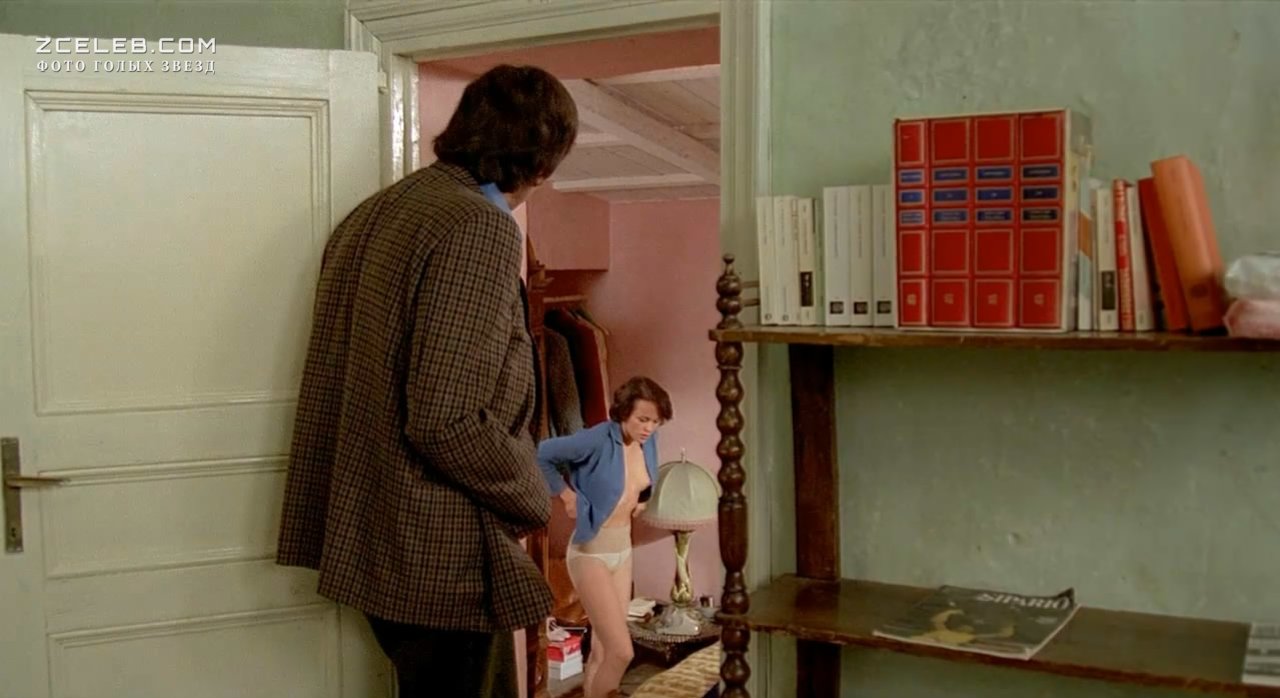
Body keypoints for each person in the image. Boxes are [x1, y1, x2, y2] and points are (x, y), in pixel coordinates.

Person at [275, 64, 578, 698]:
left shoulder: (377, 212)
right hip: (439, 545)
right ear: (543, 163)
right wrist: (533, 493)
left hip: (374, 536)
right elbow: (447, 419)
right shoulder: (477, 225)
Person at [537, 376, 673, 698]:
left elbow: (641, 479)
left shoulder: (647, 440)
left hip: (622, 551)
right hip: (590, 553)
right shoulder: (597, 439)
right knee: (621, 652)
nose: (649, 428)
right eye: (642, 419)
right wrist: (566, 496)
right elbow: (543, 453)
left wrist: (642, 499)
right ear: (624, 412)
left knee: (602, 650)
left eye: (655, 421)